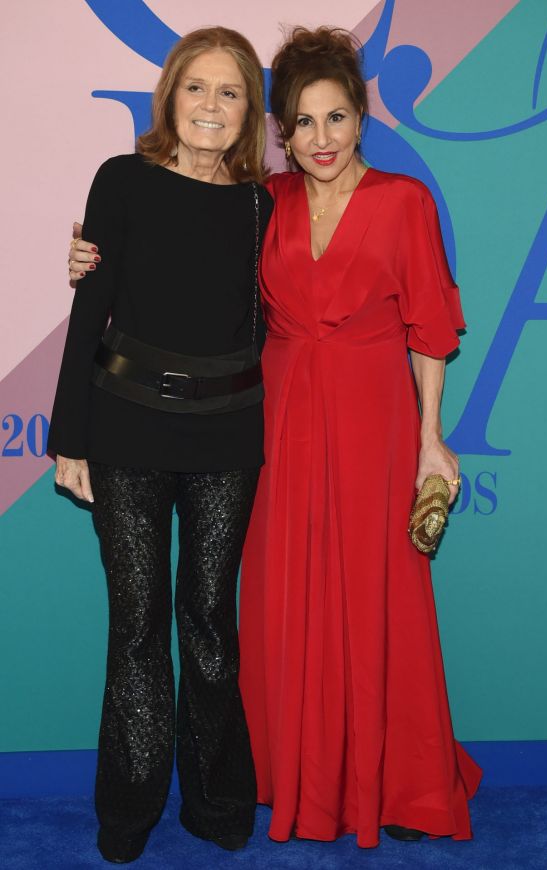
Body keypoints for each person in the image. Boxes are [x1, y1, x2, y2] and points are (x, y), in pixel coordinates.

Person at [68, 25, 482, 851]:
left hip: (327, 423)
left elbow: (430, 325)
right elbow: (137, 286)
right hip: (259, 421)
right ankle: (207, 793)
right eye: (303, 121)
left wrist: (432, 438)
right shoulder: (236, 197)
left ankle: (356, 786)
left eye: (336, 118)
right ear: (282, 131)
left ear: (361, 118)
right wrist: (89, 265)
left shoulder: (349, 201)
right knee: (225, 612)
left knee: (336, 608)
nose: (320, 138)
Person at [49, 27, 273, 863]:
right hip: (125, 430)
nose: (212, 106)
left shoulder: (262, 205)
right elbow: (90, 311)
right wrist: (67, 435)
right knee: (137, 627)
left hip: (227, 437)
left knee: (211, 623)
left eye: (231, 92)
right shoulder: (122, 182)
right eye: (197, 88)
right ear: (169, 96)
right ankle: (130, 811)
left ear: (249, 111)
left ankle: (218, 802)